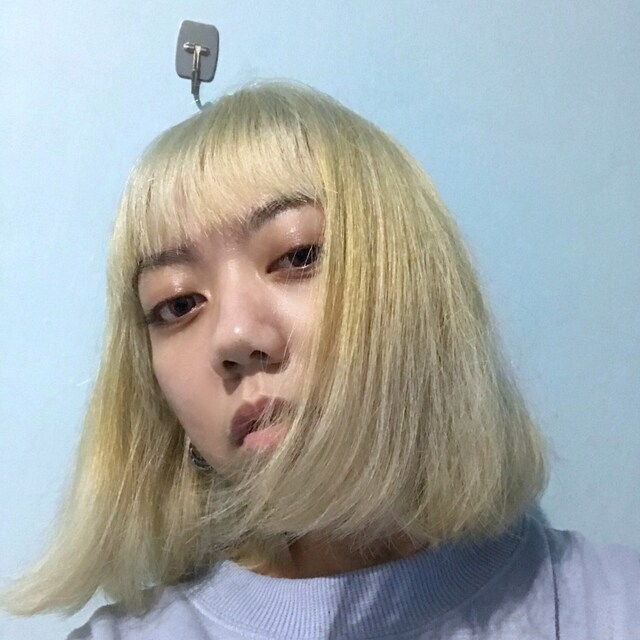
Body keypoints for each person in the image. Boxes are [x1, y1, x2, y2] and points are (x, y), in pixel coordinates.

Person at [2, 81, 638, 639]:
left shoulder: (609, 609)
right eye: (178, 304)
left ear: (418, 287)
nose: (234, 336)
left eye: (297, 256)